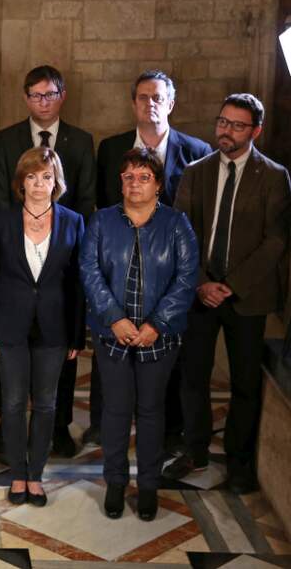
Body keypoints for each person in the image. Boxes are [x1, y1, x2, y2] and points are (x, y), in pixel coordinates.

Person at [168, 93, 291, 494]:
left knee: (244, 383)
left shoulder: (273, 176)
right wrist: (202, 281)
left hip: (247, 297)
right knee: (193, 377)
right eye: (223, 122)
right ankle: (195, 450)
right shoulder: (197, 171)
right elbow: (182, 231)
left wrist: (231, 286)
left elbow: (275, 241)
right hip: (199, 293)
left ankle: (238, 463)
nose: (226, 130)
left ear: (255, 130)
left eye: (237, 125)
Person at [87, 69, 212, 449]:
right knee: (110, 363)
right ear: (134, 103)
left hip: (169, 274)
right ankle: (103, 426)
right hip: (118, 270)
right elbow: (103, 207)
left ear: (171, 103)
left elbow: (200, 217)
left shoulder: (197, 152)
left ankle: (169, 434)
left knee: (168, 363)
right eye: (143, 96)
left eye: (158, 97)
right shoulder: (110, 149)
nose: (151, 103)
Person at [80, 147, 198, 521]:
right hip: (111, 333)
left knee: (150, 411)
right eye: (128, 176)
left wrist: (156, 324)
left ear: (158, 185)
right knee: (115, 411)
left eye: (143, 177)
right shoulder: (101, 221)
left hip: (158, 336)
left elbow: (186, 279)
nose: (134, 183)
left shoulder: (177, 224)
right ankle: (115, 482)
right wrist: (114, 318)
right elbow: (90, 271)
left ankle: (148, 485)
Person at [0, 65, 94, 457]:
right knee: (11, 356)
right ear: (26, 98)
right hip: (17, 245)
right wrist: (15, 233)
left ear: (62, 95)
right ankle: (7, 422)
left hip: (61, 250)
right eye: (35, 95)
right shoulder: (6, 139)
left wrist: (65, 233)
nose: (43, 101)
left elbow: (84, 198)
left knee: (58, 348)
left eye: (50, 94)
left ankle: (60, 425)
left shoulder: (81, 141)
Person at [0, 147, 84, 507]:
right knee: (11, 403)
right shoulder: (3, 220)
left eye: (46, 177)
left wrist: (76, 333)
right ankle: (17, 473)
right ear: (21, 182)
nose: (39, 184)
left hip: (55, 327)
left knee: (46, 404)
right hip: (9, 324)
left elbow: (77, 284)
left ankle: (36, 474)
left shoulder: (73, 221)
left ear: (56, 182)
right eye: (32, 177)